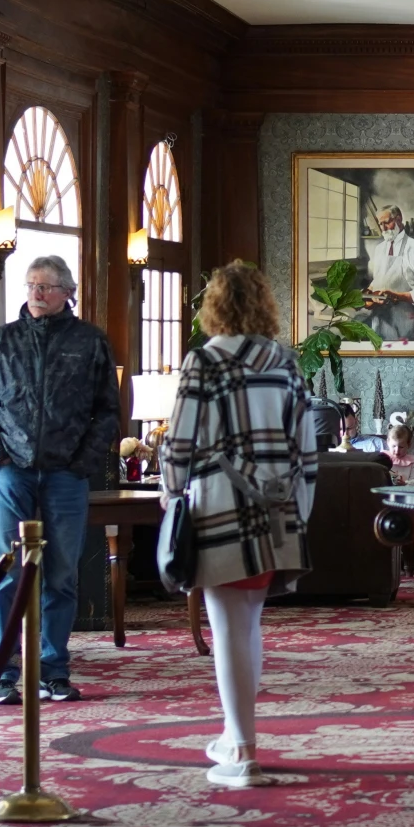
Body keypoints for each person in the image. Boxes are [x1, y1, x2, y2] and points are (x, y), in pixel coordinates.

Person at [160, 262, 318, 789]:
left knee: (226, 627)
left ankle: (243, 751)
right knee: (247, 625)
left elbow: (180, 442)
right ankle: (235, 736)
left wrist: (169, 489)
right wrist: (300, 507)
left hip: (221, 504)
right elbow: (307, 446)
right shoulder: (284, 363)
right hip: (278, 511)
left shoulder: (203, 363)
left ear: (215, 306)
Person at [0, 255, 122, 704]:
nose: (36, 292)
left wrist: (83, 462)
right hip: (11, 472)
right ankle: (1, 673)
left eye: (46, 286)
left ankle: (53, 670)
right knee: (5, 573)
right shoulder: (3, 341)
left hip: (66, 475)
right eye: (31, 284)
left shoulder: (90, 342)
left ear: (67, 292)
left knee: (61, 576)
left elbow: (107, 411)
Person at [363, 204, 414, 341]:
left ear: (399, 219)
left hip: (405, 319)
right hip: (379, 319)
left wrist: (395, 295)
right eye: (380, 224)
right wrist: (367, 295)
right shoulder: (379, 249)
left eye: (387, 222)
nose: (383, 228)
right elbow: (377, 281)